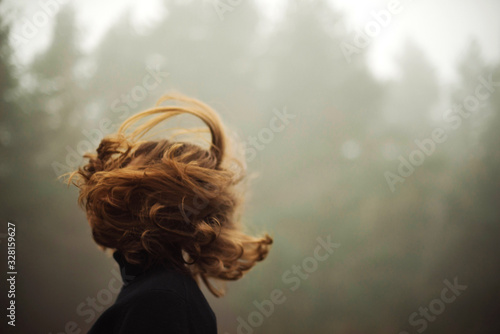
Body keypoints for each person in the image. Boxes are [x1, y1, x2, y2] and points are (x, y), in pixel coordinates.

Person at [66, 93, 273, 333]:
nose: (109, 189)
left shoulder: (161, 300)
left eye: (125, 184)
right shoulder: (159, 292)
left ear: (155, 207)